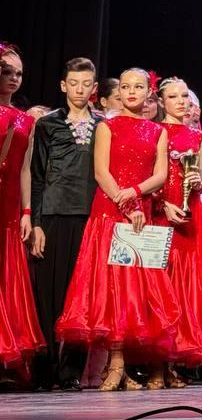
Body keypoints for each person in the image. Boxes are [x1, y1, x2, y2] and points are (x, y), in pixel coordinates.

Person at [56, 67, 181, 391]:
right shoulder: (106, 126)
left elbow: (160, 175)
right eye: (125, 87)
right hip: (110, 213)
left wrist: (136, 193)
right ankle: (115, 365)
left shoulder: (157, 131)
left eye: (138, 87)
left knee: (138, 294)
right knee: (110, 291)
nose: (131, 92)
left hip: (141, 215)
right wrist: (126, 203)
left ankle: (135, 367)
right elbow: (101, 172)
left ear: (148, 92)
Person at [29, 58, 102, 390]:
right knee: (48, 294)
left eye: (86, 84)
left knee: (81, 295)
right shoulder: (48, 124)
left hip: (90, 217)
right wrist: (37, 223)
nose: (79, 90)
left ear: (94, 88)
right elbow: (37, 175)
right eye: (73, 83)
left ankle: (71, 371)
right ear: (63, 85)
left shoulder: (103, 126)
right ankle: (44, 368)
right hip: (54, 215)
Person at [155, 78, 202, 383]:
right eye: (173, 97)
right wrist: (162, 202)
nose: (181, 102)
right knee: (160, 285)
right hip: (161, 213)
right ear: (161, 101)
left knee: (185, 285)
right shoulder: (155, 131)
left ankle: (173, 362)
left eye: (185, 97)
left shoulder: (197, 136)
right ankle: (155, 363)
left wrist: (197, 182)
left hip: (191, 215)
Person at [0, 44, 42, 381]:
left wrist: (27, 211)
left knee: (7, 274)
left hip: (11, 205)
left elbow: (26, 168)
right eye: (6, 72)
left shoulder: (26, 118)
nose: (14, 79)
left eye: (19, 74)